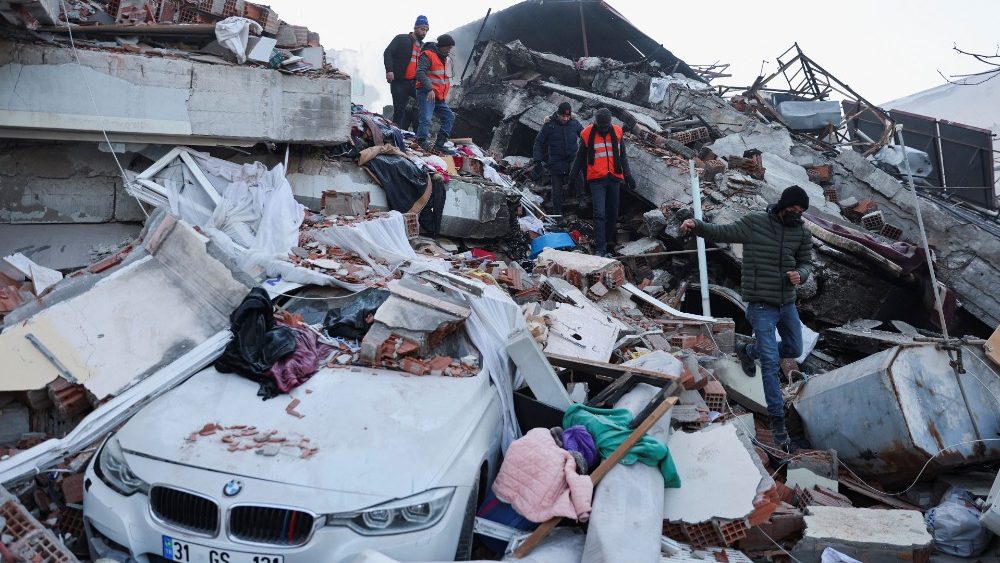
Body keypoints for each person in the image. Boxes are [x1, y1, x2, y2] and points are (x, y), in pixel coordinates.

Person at [679, 185, 814, 450]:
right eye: (793, 208)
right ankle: (778, 425)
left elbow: (806, 262)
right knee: (771, 362)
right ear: (783, 204)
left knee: (794, 349)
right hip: (761, 305)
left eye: (801, 211)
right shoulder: (755, 223)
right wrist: (697, 225)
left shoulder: (802, 232)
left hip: (787, 303)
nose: (796, 214)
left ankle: (747, 351)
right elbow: (723, 232)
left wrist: (801, 274)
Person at [569, 108, 635, 256]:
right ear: (596, 123)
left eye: (606, 126)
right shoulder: (586, 134)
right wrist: (572, 178)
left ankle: (607, 240)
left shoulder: (617, 132)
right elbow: (579, 157)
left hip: (614, 178)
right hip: (596, 180)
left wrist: (628, 175)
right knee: (599, 213)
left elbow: (623, 156)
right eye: (601, 126)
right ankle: (600, 248)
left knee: (613, 213)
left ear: (610, 123)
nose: (604, 129)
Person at [532, 102, 583, 217]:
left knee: (578, 174)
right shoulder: (549, 126)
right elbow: (538, 142)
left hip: (572, 159)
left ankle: (582, 199)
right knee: (556, 191)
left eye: (567, 116)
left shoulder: (574, 123)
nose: (565, 119)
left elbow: (585, 135)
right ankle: (558, 217)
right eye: (563, 116)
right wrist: (537, 160)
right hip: (556, 162)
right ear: (558, 114)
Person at [383, 16, 429, 130]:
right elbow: (388, 52)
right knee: (399, 111)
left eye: (426, 30)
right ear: (415, 28)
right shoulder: (401, 39)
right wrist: (389, 71)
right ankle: (396, 135)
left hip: (414, 83)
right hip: (399, 82)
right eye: (422, 29)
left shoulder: (423, 46)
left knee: (423, 103)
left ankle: (418, 135)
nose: (424, 32)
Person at [414, 34, 457, 155]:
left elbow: (442, 78)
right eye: (448, 47)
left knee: (449, 117)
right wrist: (429, 89)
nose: (449, 50)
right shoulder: (428, 54)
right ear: (442, 46)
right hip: (426, 92)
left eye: (450, 48)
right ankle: (421, 141)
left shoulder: (445, 59)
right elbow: (420, 72)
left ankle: (439, 145)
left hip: (438, 96)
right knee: (426, 118)